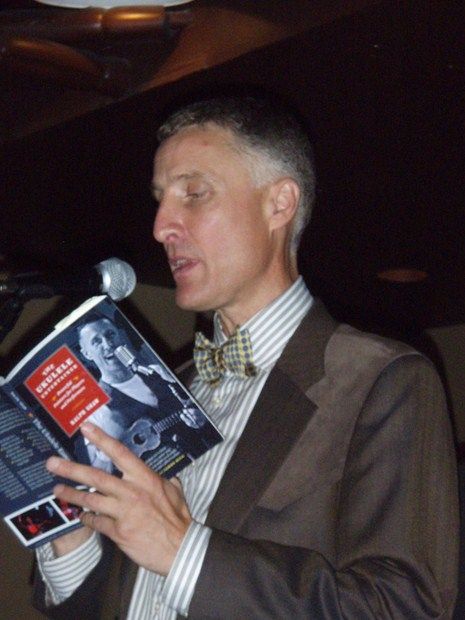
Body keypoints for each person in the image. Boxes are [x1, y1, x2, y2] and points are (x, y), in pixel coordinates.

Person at [33, 96, 459, 618]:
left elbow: (405, 606)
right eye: (160, 200)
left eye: (194, 194)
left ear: (279, 204)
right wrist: (71, 537)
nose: (161, 226)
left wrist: (182, 552)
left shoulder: (381, 379)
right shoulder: (164, 387)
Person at [75, 315, 206, 472]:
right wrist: (107, 452)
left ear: (120, 335)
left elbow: (198, 404)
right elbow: (100, 472)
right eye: (96, 341)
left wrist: (200, 417)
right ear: (87, 354)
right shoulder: (97, 409)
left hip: (204, 457)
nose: (108, 344)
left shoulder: (157, 372)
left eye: (110, 334)